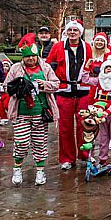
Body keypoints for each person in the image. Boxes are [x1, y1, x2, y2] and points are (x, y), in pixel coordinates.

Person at [4, 42, 59, 186]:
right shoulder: (15, 68)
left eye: (33, 57)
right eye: (27, 57)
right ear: (23, 57)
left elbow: (56, 84)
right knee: (21, 142)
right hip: (21, 112)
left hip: (40, 113)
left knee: (39, 143)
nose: (31, 59)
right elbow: (6, 86)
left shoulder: (45, 67)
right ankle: (17, 167)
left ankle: (40, 171)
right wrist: (17, 87)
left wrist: (44, 85)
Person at [46, 20, 92, 170]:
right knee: (65, 127)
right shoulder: (58, 46)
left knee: (84, 125)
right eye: (70, 30)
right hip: (64, 90)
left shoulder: (87, 47)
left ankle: (85, 155)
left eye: (75, 30)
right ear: (66, 32)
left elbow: (93, 66)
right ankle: (67, 158)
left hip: (83, 90)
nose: (72, 33)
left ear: (80, 32)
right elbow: (48, 65)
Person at [81, 56, 111, 171]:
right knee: (103, 138)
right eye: (106, 68)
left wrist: (109, 111)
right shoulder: (100, 80)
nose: (108, 70)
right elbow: (85, 80)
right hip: (99, 115)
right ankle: (102, 160)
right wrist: (86, 68)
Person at [0, 58, 12, 125]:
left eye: (7, 66)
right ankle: (3, 118)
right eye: (3, 66)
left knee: (6, 105)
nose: (5, 68)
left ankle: (12, 115)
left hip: (7, 93)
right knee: (0, 107)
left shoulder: (10, 75)